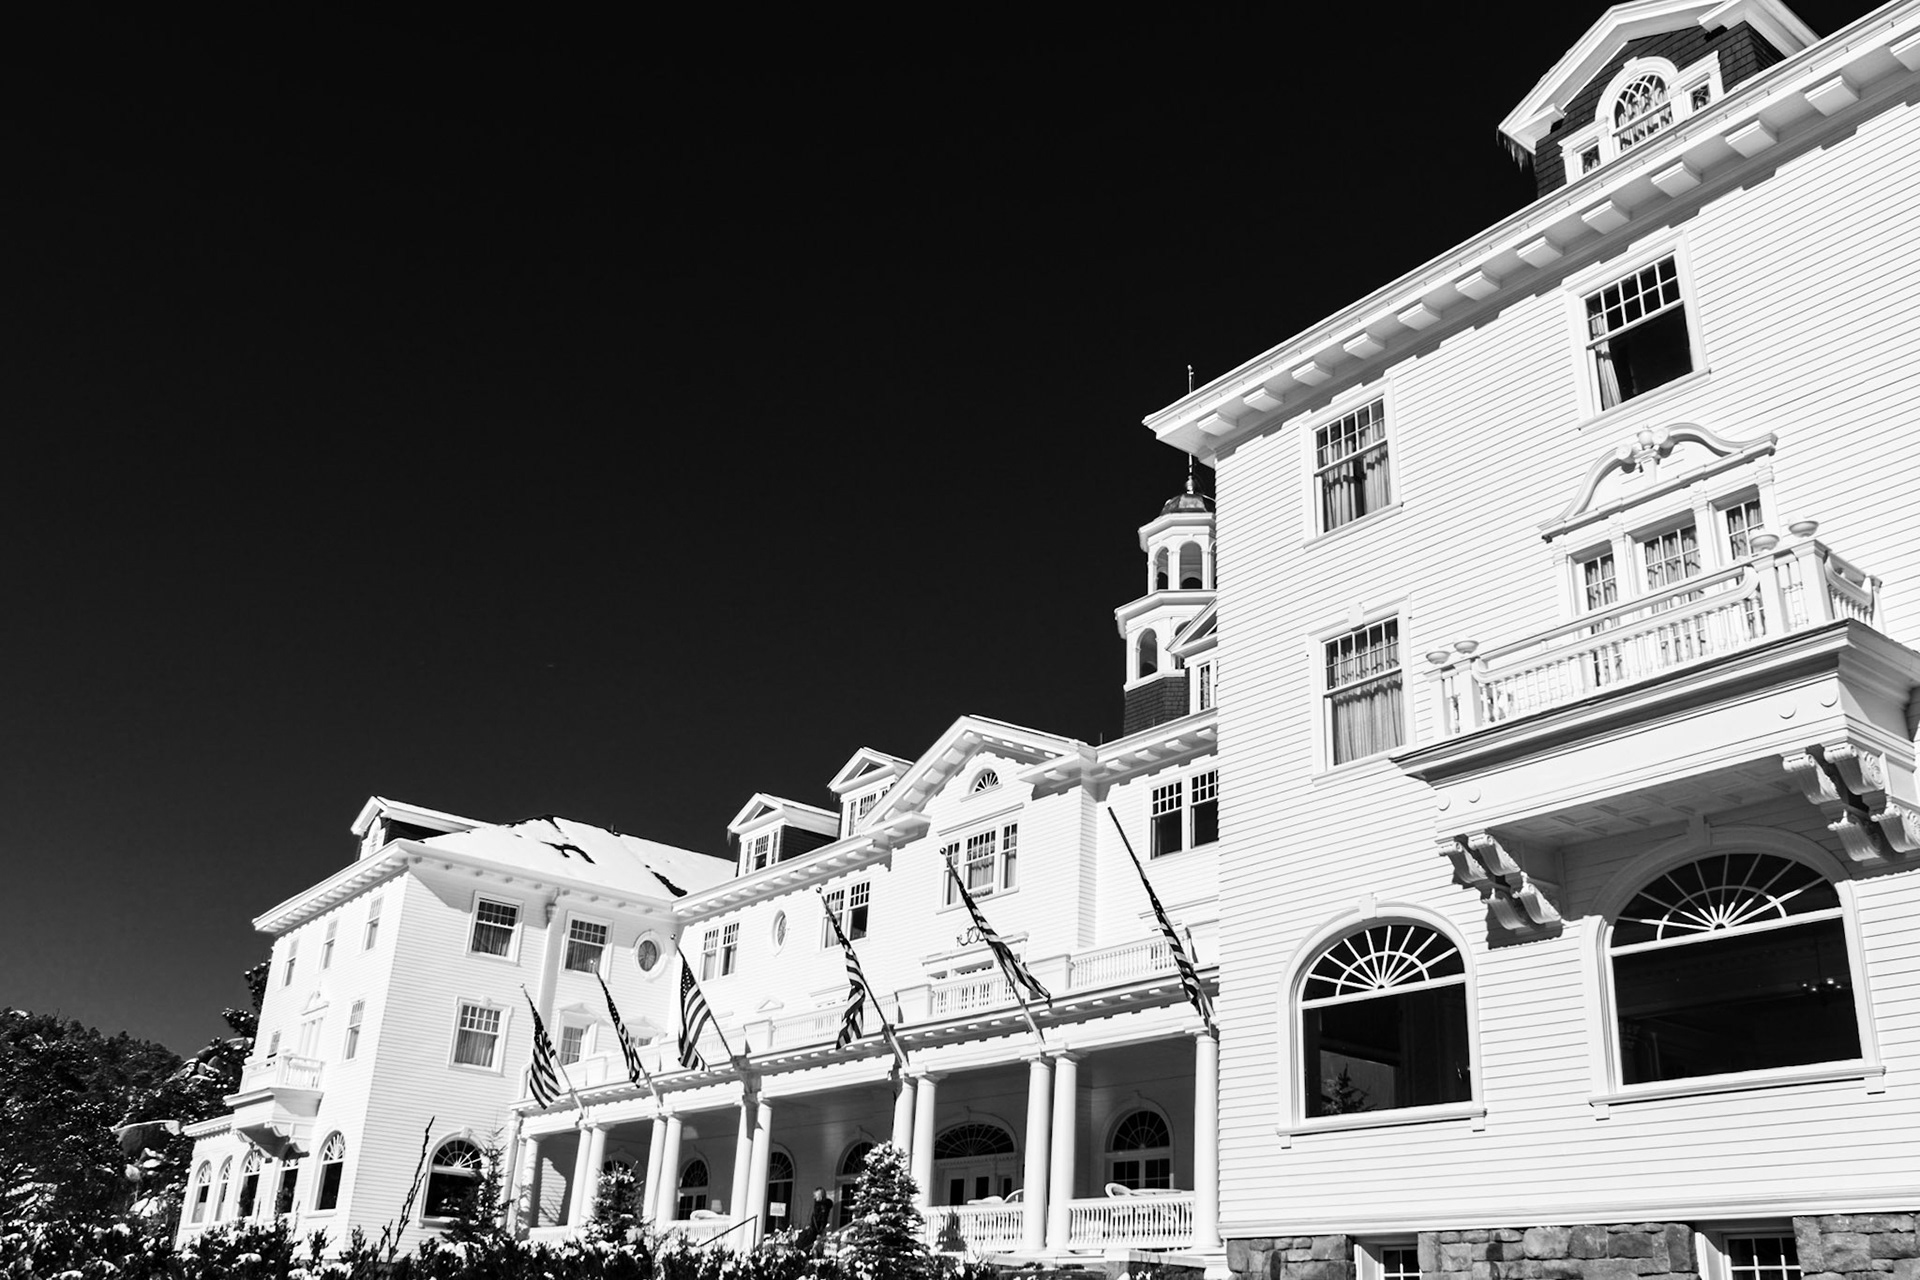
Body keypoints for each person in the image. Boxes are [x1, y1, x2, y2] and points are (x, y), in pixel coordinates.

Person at [802, 1186, 834, 1253]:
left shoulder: (823, 1207)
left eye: (815, 1195)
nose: (814, 1197)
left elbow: (822, 1220)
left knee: (812, 1248)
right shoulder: (817, 1205)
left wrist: (819, 1231)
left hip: (816, 1231)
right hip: (813, 1229)